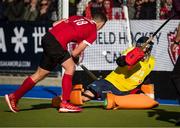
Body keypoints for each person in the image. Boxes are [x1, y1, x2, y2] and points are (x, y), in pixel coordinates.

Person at [4, 12, 107, 113]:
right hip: (56, 44)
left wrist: (73, 55)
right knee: (70, 68)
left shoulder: (77, 17)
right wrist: (75, 58)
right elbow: (76, 52)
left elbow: (55, 24)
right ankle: (65, 103)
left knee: (40, 74)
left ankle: (14, 96)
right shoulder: (93, 31)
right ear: (101, 24)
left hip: (47, 38)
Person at [80, 36, 155, 103]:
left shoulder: (152, 61)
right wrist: (133, 58)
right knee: (84, 98)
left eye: (141, 46)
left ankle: (114, 99)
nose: (139, 47)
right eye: (138, 45)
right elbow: (120, 62)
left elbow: (145, 77)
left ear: (148, 48)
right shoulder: (131, 51)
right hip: (111, 84)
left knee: (145, 100)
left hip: (128, 91)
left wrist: (148, 94)